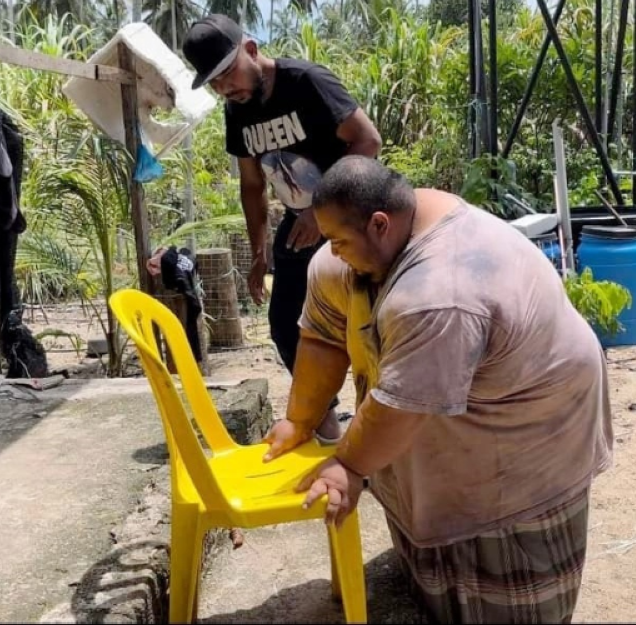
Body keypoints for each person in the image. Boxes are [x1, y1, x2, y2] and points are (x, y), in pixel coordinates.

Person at [263, 156, 614, 624]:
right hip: (448, 406)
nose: (333, 251)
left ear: (380, 224)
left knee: (509, 579)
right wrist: (299, 420)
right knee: (434, 545)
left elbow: (400, 408)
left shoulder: (439, 292)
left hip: (530, 428)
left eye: (340, 241)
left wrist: (348, 464)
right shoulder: (354, 253)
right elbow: (324, 337)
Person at [175, 14, 382, 442]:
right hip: (298, 222)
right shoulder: (238, 110)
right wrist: (258, 253)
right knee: (285, 323)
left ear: (251, 49)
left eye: (228, 72)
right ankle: (325, 421)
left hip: (352, 215)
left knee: (371, 323)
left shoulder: (306, 81)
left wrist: (322, 208)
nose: (225, 88)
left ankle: (381, 430)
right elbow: (252, 185)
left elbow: (368, 142)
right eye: (214, 82)